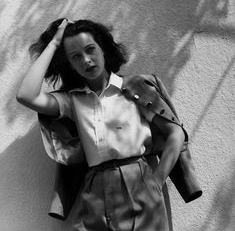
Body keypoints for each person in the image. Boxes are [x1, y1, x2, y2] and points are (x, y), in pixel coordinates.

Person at [16, 18, 190, 231]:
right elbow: (26, 95)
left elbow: (175, 133)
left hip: (138, 180)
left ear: (104, 50)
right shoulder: (73, 100)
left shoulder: (133, 88)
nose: (86, 60)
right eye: (76, 57)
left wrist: (157, 180)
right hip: (95, 187)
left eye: (90, 50)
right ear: (69, 64)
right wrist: (54, 43)